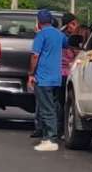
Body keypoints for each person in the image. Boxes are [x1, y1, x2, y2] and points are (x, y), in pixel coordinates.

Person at [28, 9, 67, 152]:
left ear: (39, 22)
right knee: (54, 107)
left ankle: (50, 138)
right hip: (56, 78)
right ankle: (48, 136)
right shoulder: (59, 34)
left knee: (46, 109)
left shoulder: (40, 35)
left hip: (43, 78)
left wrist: (31, 74)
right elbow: (67, 44)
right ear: (50, 20)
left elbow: (34, 56)